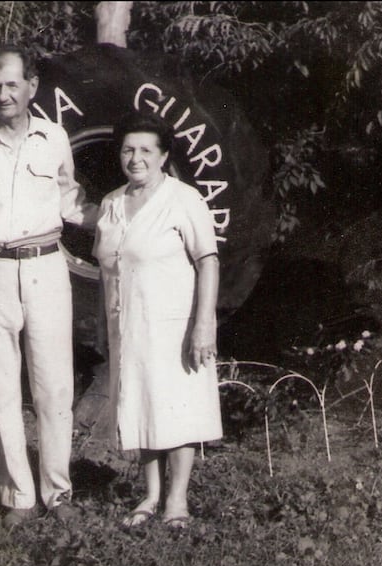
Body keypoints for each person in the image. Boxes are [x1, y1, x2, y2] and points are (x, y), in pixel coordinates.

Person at [0, 45, 98, 530]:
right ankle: (18, 497)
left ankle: (58, 492)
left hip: (46, 268)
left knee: (55, 387)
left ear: (32, 87)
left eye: (13, 85)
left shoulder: (54, 138)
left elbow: (71, 200)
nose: (3, 94)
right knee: (2, 390)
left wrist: (121, 217)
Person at [93, 111, 223, 530]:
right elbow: (106, 270)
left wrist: (204, 324)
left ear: (164, 156)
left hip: (174, 324)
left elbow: (208, 261)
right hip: (127, 326)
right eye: (128, 149)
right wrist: (101, 323)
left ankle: (177, 501)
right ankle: (149, 495)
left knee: (178, 408)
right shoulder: (112, 204)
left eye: (146, 150)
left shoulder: (184, 199)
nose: (136, 158)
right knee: (143, 405)